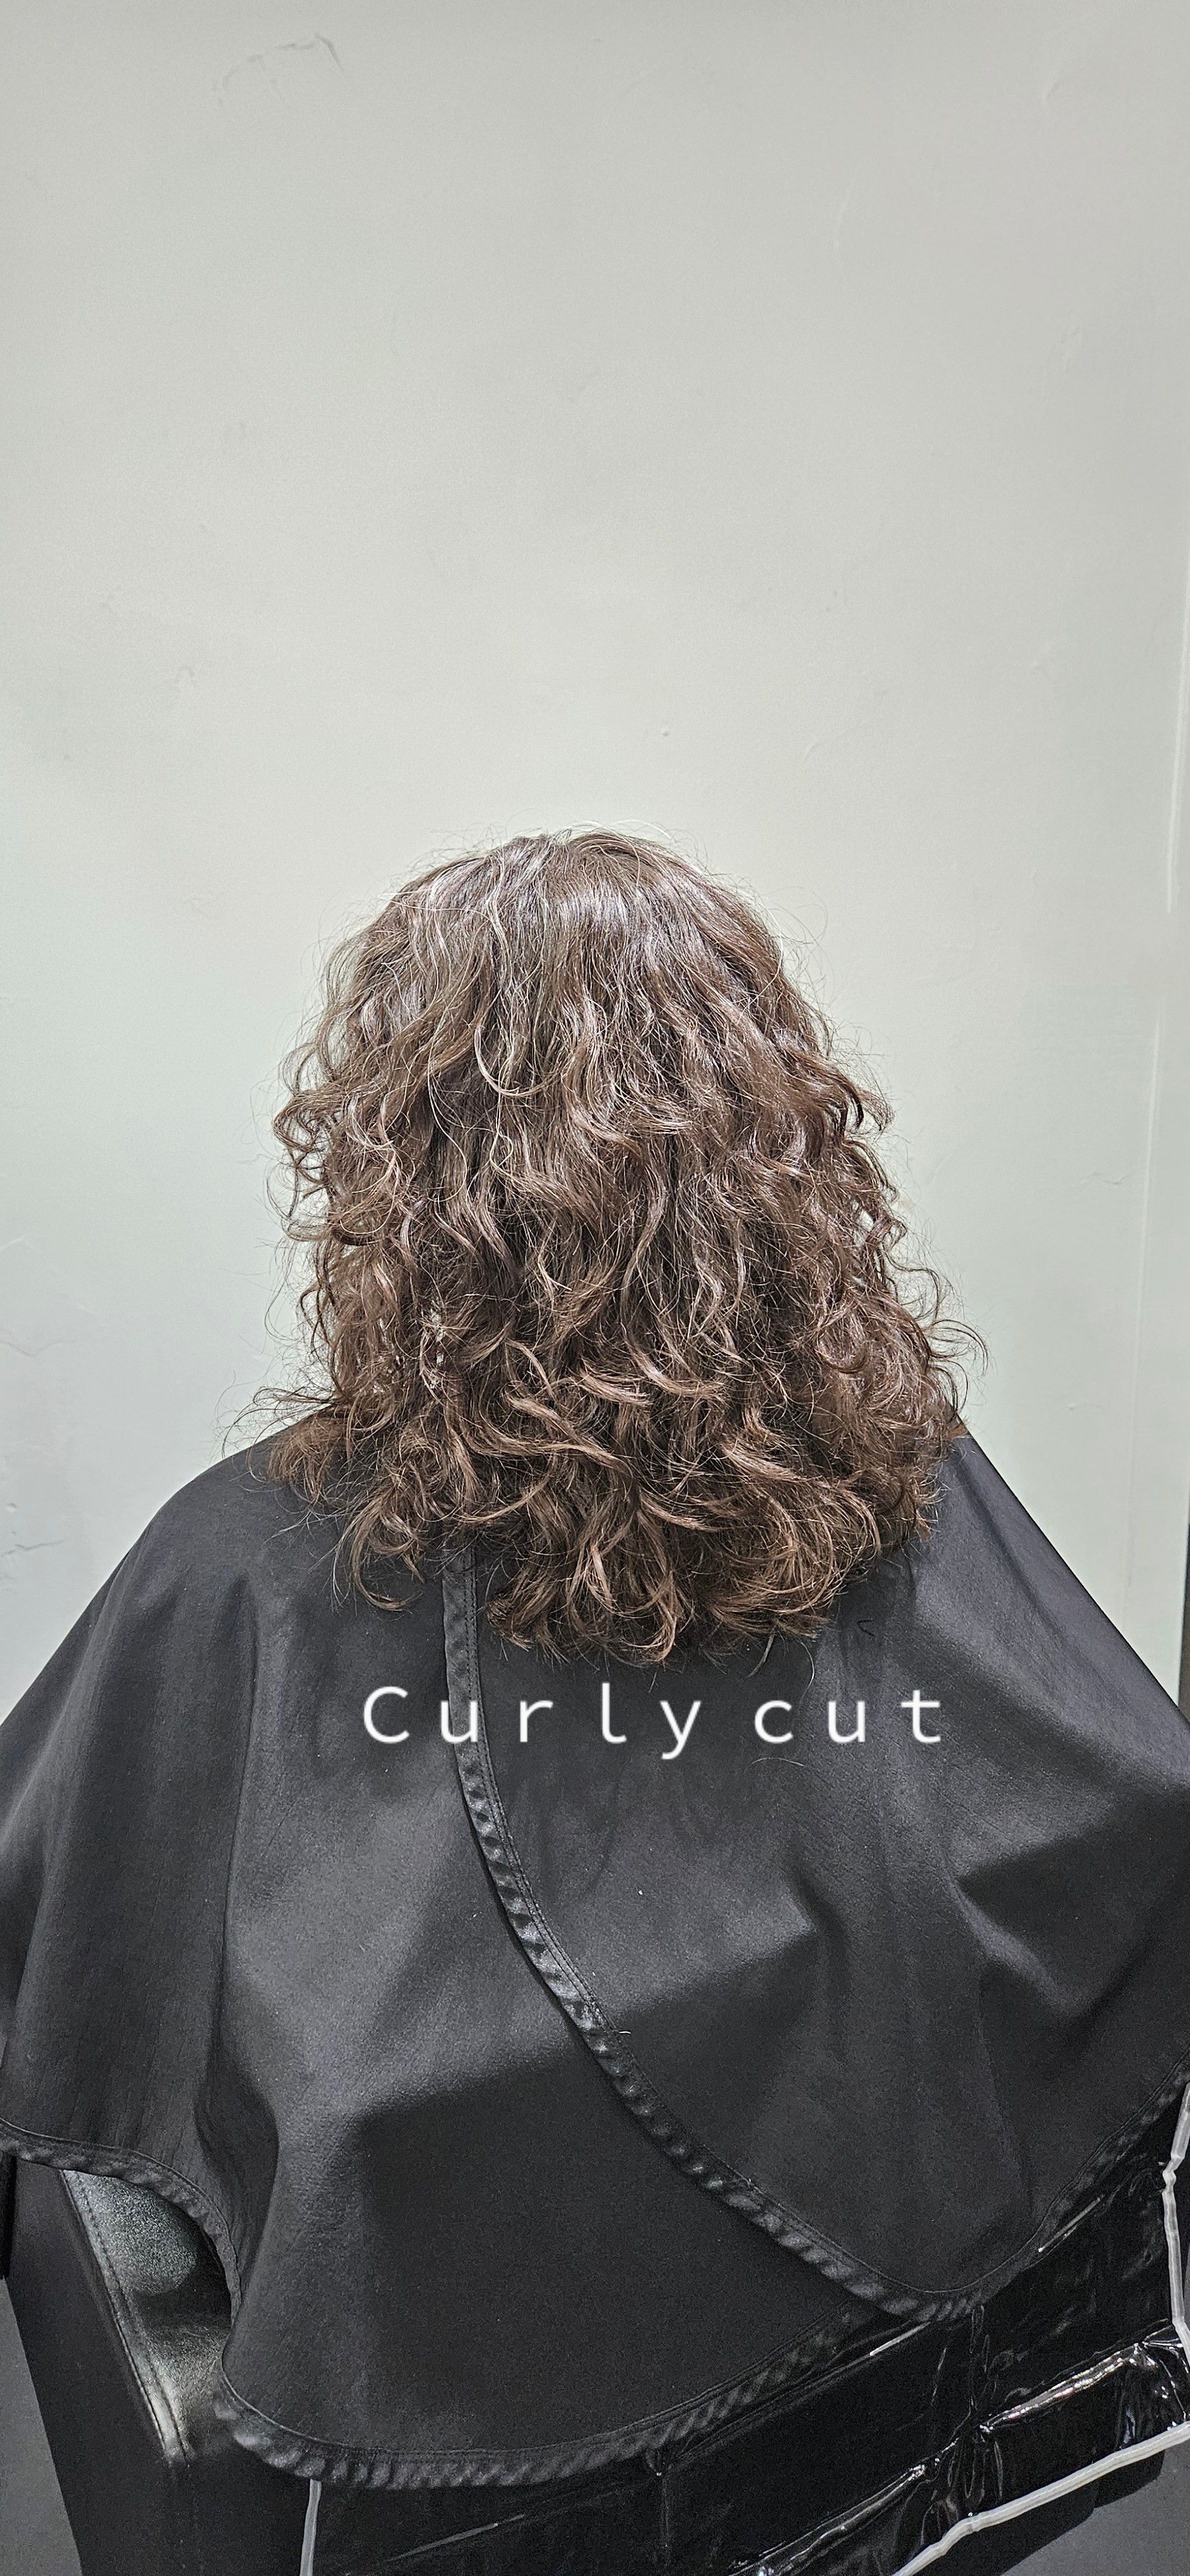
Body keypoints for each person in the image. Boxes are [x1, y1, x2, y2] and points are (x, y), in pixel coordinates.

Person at [5, 829, 1190, 2576]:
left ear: (411, 1174)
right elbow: (1129, 1789)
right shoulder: (888, 1461)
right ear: (777, 1138)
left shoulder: (237, 1564)